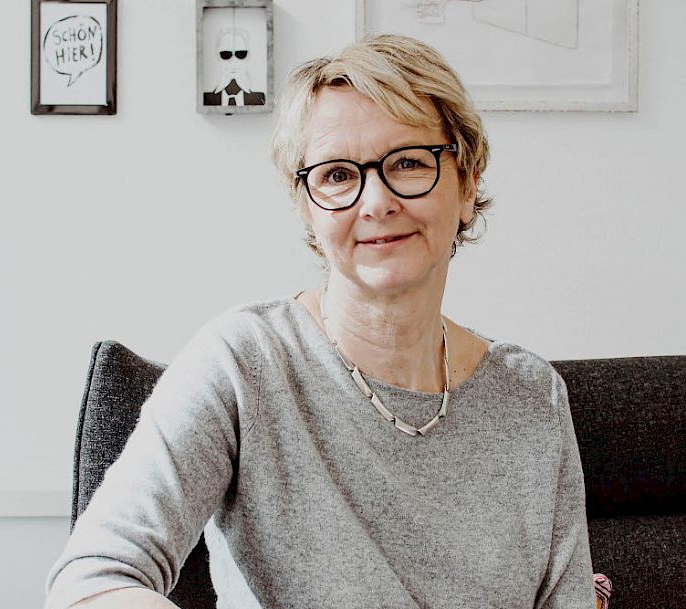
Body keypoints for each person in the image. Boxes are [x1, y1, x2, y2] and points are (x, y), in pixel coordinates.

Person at [44, 34, 595, 609]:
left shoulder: (533, 396)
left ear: (468, 181)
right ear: (306, 204)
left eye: (409, 163)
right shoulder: (241, 362)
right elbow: (93, 580)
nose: (375, 202)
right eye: (336, 175)